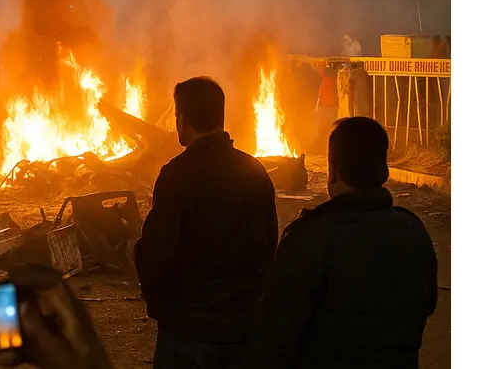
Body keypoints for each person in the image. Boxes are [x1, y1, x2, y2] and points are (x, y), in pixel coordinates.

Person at [247, 117, 438, 368]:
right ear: (384, 170)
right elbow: (426, 305)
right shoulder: (414, 232)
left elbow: (275, 336)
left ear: (334, 171)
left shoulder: (308, 238)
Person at [134, 76, 278, 369]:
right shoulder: (254, 171)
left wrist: (159, 304)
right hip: (242, 329)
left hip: (187, 333)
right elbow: (268, 247)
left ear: (182, 118)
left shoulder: (177, 175)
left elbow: (157, 254)